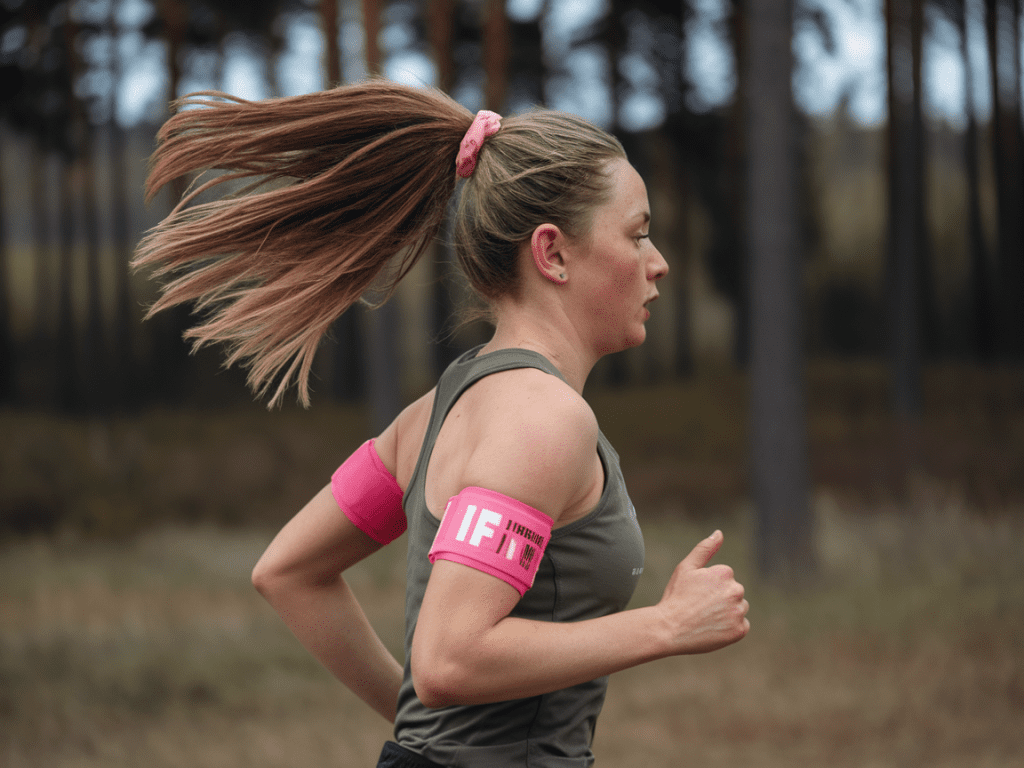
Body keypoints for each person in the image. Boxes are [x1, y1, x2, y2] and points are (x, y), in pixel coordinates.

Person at [135, 79, 749, 768]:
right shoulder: (543, 421)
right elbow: (449, 660)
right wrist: (665, 626)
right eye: (636, 235)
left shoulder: (436, 411)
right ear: (552, 253)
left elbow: (289, 571)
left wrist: (419, 732)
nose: (658, 263)